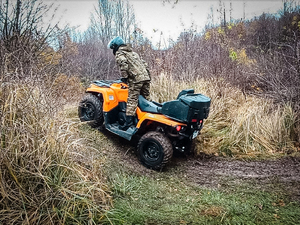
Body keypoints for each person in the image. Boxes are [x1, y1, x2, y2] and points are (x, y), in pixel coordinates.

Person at [107, 36, 151, 130]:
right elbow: (145, 65)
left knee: (132, 100)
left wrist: (125, 77)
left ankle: (128, 124)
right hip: (146, 78)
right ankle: (148, 121)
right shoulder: (133, 53)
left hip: (136, 79)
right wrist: (148, 77)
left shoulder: (120, 53)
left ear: (115, 46)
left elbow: (123, 63)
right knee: (146, 99)